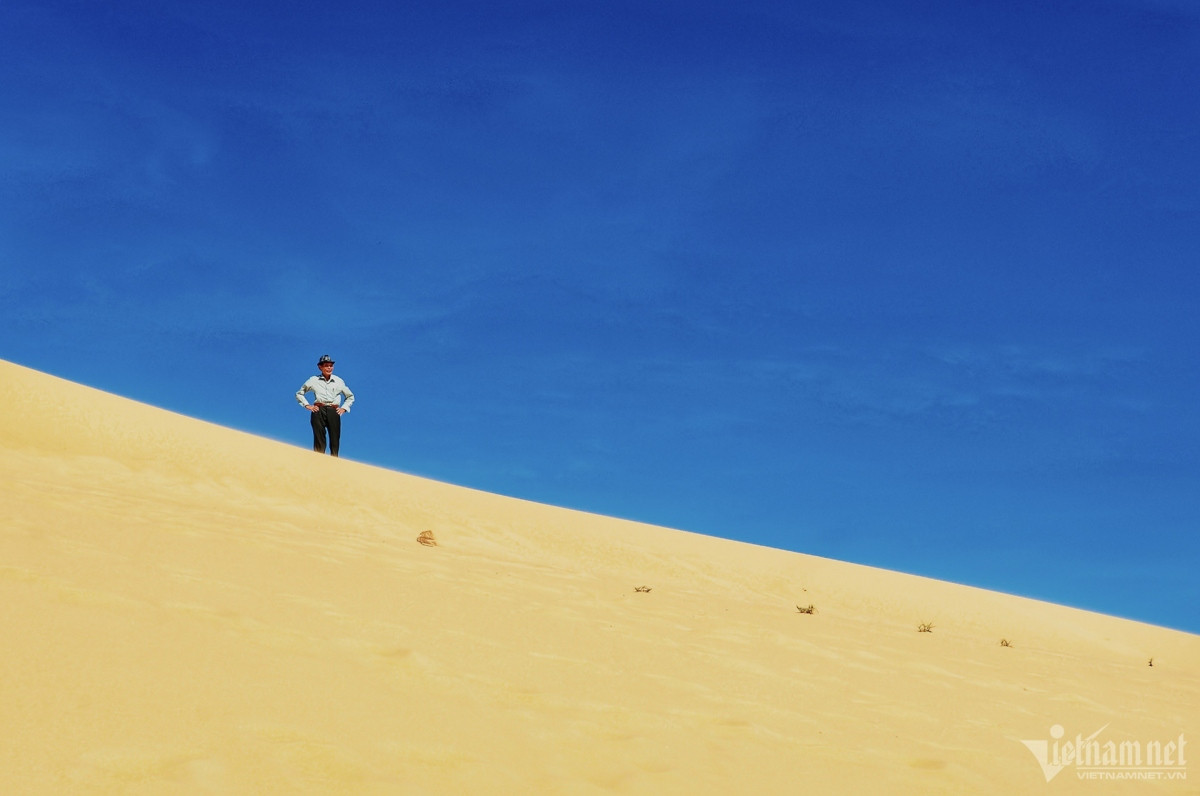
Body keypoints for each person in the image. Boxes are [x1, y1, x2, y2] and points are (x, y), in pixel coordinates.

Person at [296, 354, 355, 456]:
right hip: (318, 410)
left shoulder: (339, 381)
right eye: (326, 365)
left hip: (334, 411)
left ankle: (334, 463)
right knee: (319, 439)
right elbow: (299, 393)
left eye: (331, 365)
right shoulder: (313, 380)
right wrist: (307, 405)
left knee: (335, 439)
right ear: (320, 367)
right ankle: (319, 462)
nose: (329, 368)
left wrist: (344, 408)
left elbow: (350, 396)